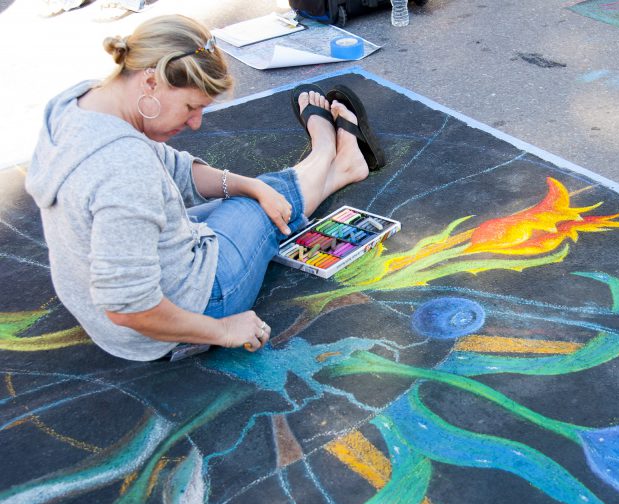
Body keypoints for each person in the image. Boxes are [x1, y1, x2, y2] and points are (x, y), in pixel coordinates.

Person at [25, 14, 383, 361]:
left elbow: (176, 172)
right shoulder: (124, 168)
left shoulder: (80, 104)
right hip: (187, 310)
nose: (195, 124)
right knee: (258, 207)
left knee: (259, 194)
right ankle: (327, 151)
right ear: (151, 83)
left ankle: (338, 170)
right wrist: (224, 330)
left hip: (110, 307)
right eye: (191, 107)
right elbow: (129, 307)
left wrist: (249, 186)